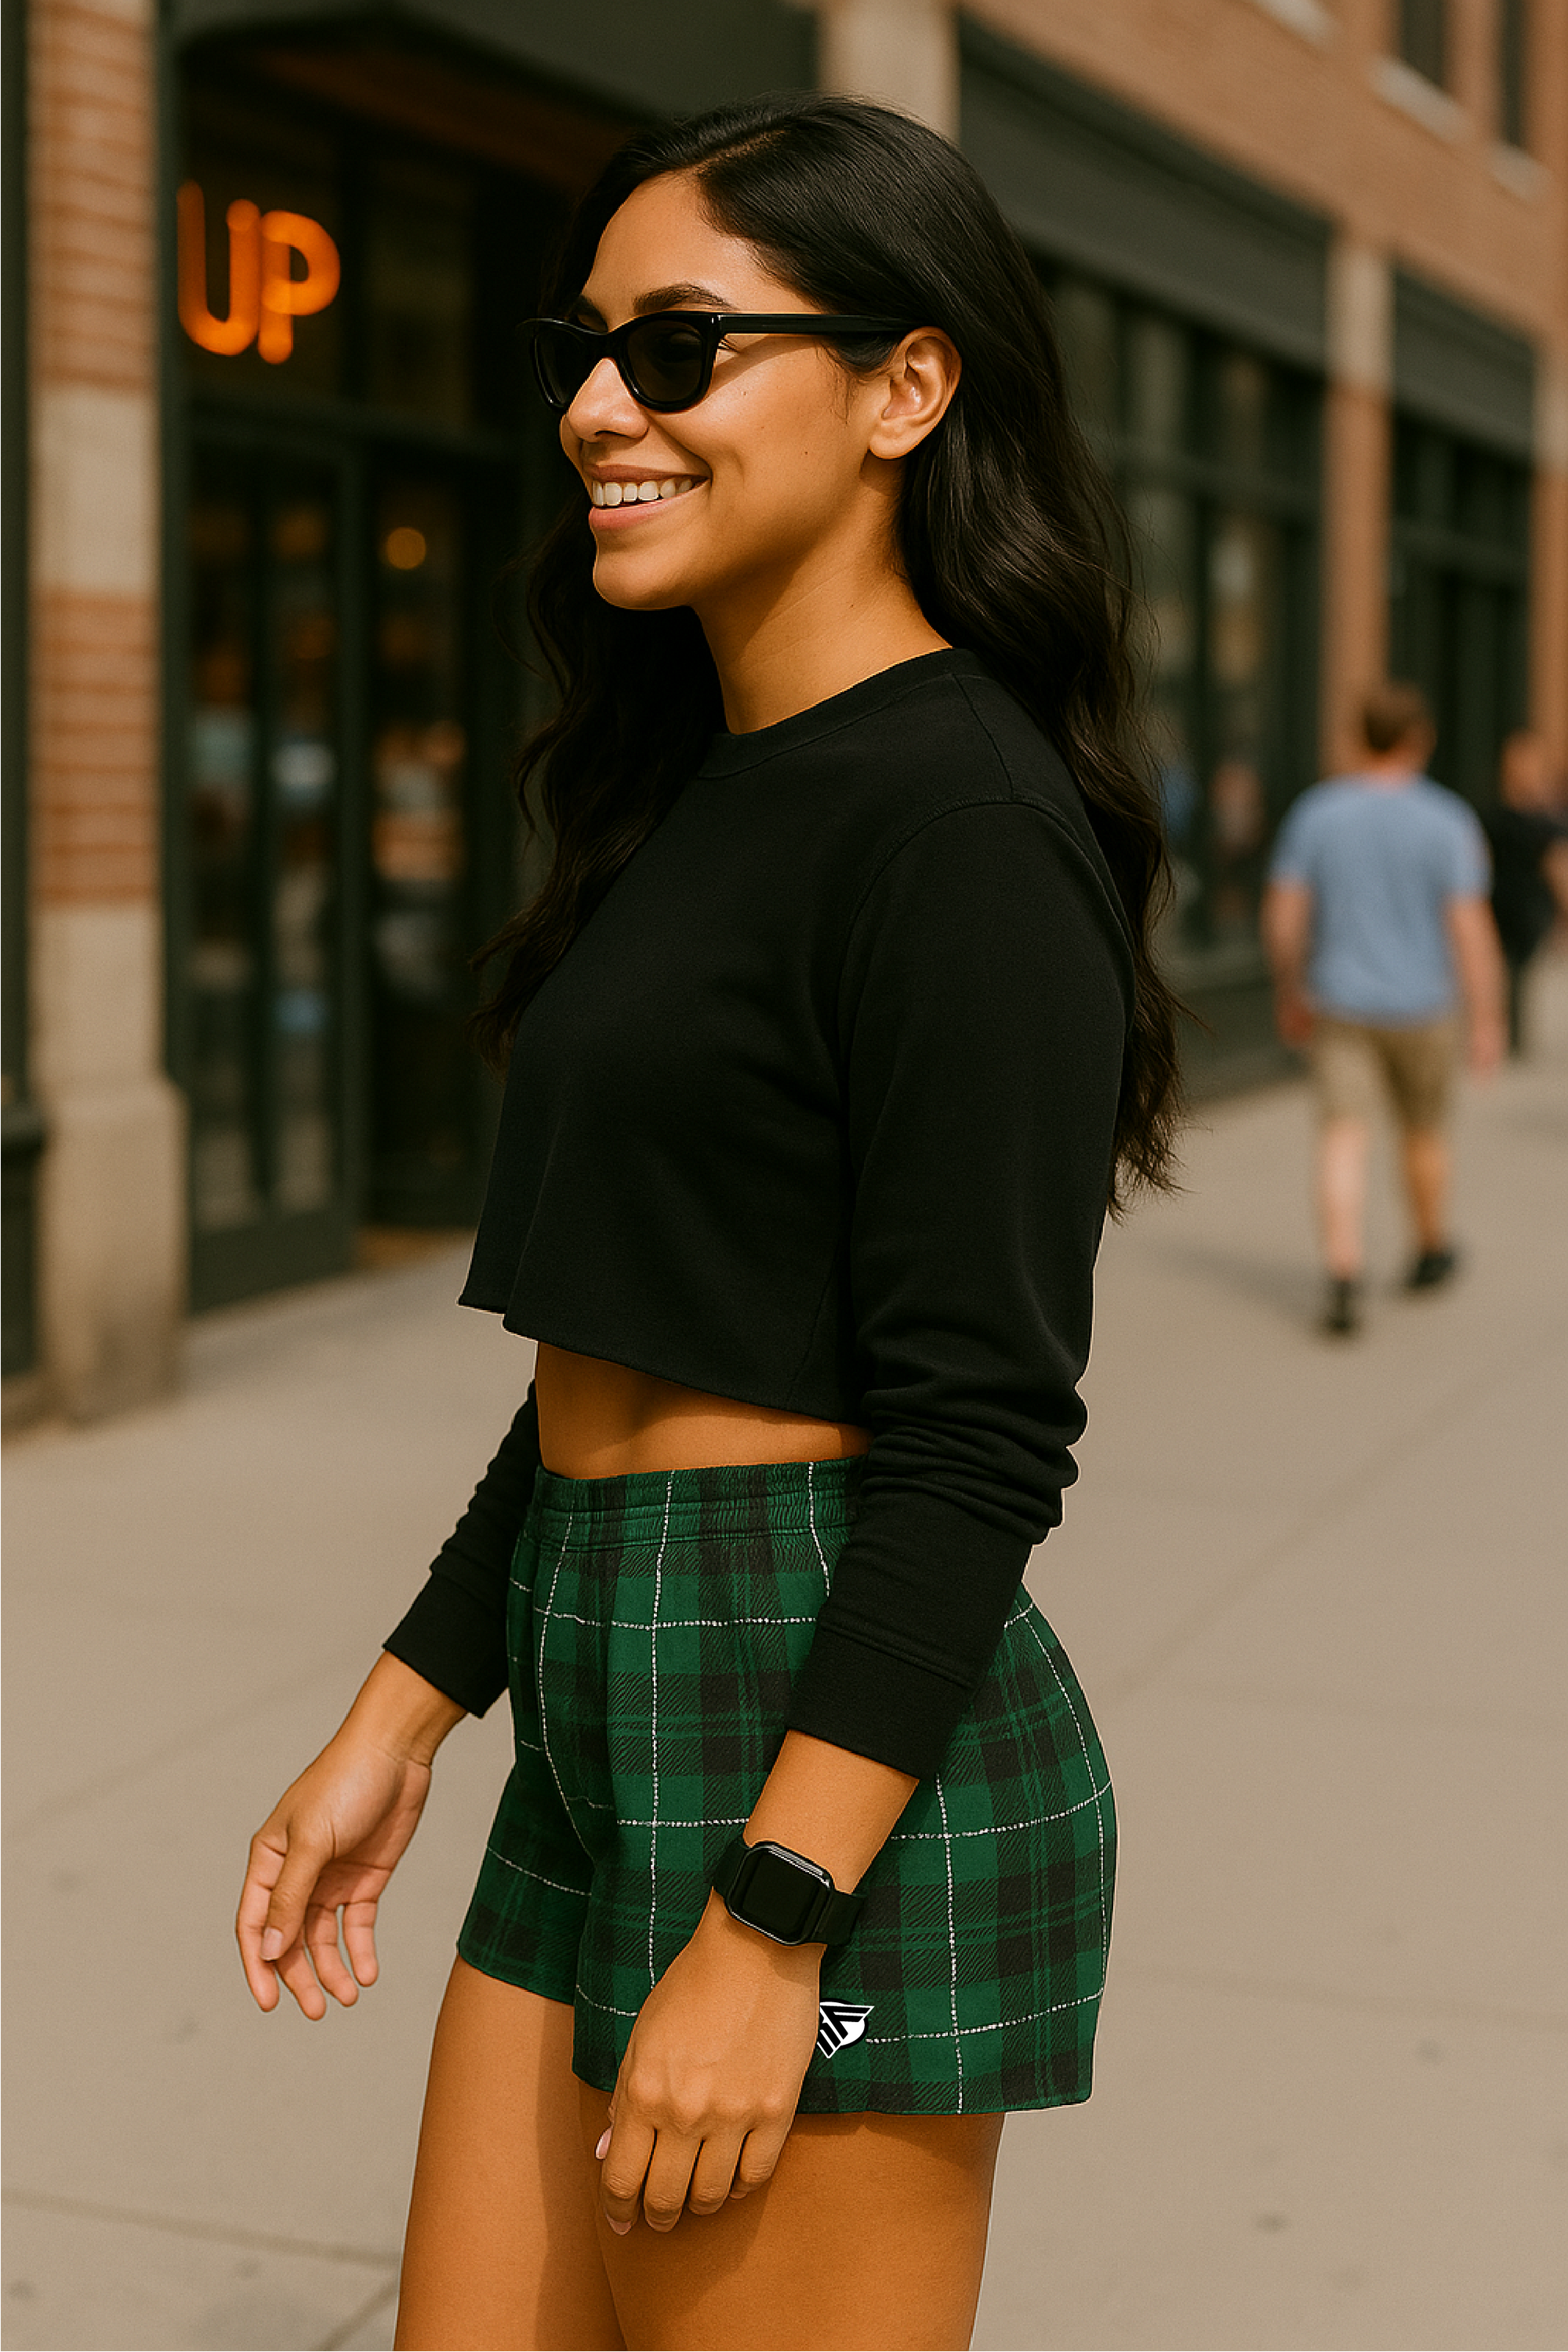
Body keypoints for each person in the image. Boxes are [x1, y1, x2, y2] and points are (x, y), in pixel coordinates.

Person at [234, 96, 1181, 2352]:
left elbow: (977, 1440)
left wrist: (772, 1927)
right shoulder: (697, 788)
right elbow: (623, 1332)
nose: (593, 405)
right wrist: (414, 1698)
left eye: (678, 349)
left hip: (816, 1713)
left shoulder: (962, 825)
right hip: (593, 1653)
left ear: (903, 386)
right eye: (588, 346)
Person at [1263, 681, 1504, 1338]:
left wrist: (1290, 987)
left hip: (1340, 1001)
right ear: (1419, 740)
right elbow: (1469, 927)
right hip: (1425, 1006)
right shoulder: (1447, 819)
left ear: (1357, 738)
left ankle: (1343, 1269)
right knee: (1423, 1131)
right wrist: (1487, 1015)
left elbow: (1284, 917)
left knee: (1343, 1133)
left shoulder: (1317, 814)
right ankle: (1430, 1248)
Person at [1484, 728, 1568, 1055]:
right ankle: (1506, 1031)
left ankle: (1511, 1034)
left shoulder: (1545, 820)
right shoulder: (1494, 815)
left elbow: (1557, 866)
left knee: (1516, 971)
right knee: (1504, 971)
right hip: (1498, 903)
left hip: (1528, 908)